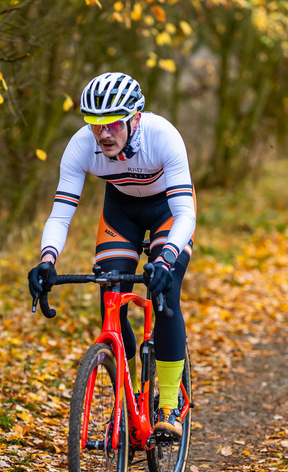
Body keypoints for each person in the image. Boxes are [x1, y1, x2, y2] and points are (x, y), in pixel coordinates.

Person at [28, 71, 196, 437]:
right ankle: (128, 401)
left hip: (168, 211)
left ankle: (169, 403)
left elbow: (185, 213)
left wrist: (165, 259)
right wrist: (47, 260)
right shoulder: (79, 146)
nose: (104, 134)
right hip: (121, 213)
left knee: (164, 292)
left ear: (135, 118)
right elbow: (60, 212)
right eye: (95, 124)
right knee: (111, 295)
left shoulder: (162, 136)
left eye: (113, 124)